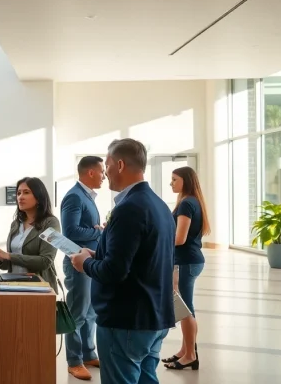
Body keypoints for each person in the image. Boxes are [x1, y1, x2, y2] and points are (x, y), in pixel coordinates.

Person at [71, 138, 176, 384]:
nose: (105, 173)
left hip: (127, 320)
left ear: (119, 165)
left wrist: (84, 264)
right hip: (155, 316)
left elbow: (114, 271)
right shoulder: (159, 205)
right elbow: (143, 259)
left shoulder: (129, 208)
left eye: (106, 166)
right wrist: (96, 254)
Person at [60, 156, 105, 380]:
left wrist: (98, 230)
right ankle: (74, 360)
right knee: (77, 312)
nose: (104, 176)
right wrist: (99, 232)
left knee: (90, 312)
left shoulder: (86, 196)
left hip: (90, 262)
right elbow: (70, 231)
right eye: (102, 172)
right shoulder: (74, 197)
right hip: (78, 262)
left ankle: (88, 353)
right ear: (90, 172)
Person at [162, 166, 209, 371]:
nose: (171, 183)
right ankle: (185, 350)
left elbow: (179, 238)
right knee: (185, 308)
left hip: (186, 261)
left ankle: (190, 355)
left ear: (185, 181)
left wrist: (156, 242)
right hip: (190, 260)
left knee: (184, 309)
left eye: (174, 179)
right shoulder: (191, 201)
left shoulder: (187, 203)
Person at [0, 177, 60, 293]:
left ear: (39, 197)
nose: (20, 197)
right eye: (18, 193)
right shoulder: (15, 224)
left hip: (39, 288)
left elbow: (46, 261)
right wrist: (0, 256)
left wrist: (9, 256)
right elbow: (7, 265)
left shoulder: (52, 223)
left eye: (26, 192)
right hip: (13, 286)